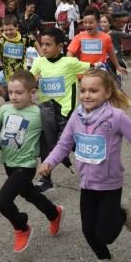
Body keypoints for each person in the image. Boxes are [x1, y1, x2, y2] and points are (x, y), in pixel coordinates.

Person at [38, 69, 131, 262]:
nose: (86, 95)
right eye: (83, 90)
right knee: (88, 230)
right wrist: (49, 162)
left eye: (93, 91)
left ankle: (122, 213)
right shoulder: (77, 115)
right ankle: (105, 259)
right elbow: (65, 143)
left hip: (110, 184)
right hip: (87, 183)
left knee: (106, 234)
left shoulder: (116, 117)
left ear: (107, 92)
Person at [0, 70, 63, 253]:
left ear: (32, 93)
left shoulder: (39, 113)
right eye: (11, 92)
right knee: (30, 194)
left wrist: (51, 159)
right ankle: (54, 213)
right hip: (9, 163)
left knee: (2, 201)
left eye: (19, 92)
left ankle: (22, 227)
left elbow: (59, 133)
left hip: (26, 165)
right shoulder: (4, 109)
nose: (13, 96)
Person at [29, 28, 90, 193]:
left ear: (60, 46)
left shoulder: (69, 63)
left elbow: (92, 70)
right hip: (46, 112)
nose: (44, 48)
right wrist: (24, 88)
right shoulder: (39, 62)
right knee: (45, 143)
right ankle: (46, 179)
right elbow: (30, 80)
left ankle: (94, 166)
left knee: (71, 144)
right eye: (42, 44)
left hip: (66, 113)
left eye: (48, 44)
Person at [66, 8, 126, 77]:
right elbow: (70, 52)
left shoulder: (106, 37)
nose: (87, 25)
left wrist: (118, 66)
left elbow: (111, 53)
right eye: (85, 22)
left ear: (98, 22)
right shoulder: (78, 37)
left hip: (100, 73)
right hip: (85, 74)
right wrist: (71, 65)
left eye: (91, 23)